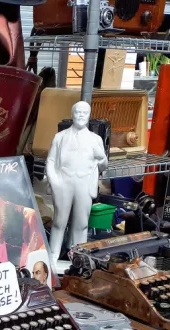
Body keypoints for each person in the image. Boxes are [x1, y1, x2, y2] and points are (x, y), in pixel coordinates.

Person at [46, 101, 108, 263]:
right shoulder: (60, 137)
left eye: (84, 112)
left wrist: (101, 157)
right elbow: (51, 161)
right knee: (60, 221)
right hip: (64, 183)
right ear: (72, 114)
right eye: (78, 112)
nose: (81, 115)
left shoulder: (95, 139)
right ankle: (53, 255)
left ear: (89, 116)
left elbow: (103, 165)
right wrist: (55, 182)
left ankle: (78, 257)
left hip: (84, 184)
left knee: (81, 223)